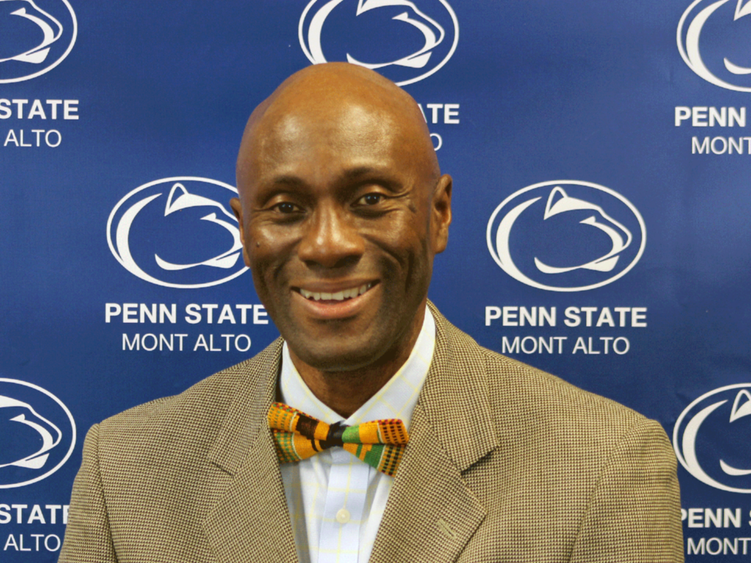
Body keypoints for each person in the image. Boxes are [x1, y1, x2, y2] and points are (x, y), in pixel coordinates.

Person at [60, 63, 683, 563]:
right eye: (284, 207)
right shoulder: (123, 468)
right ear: (243, 230)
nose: (329, 244)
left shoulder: (606, 462)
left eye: (371, 199)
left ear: (438, 215)